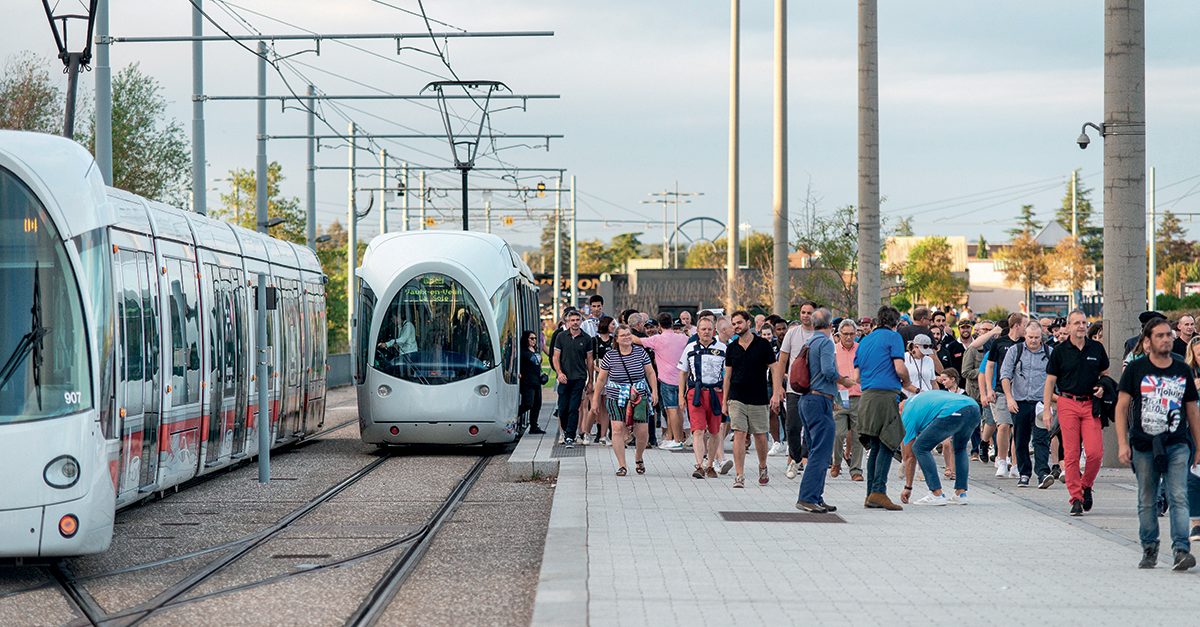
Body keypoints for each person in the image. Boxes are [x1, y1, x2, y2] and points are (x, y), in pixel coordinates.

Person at [1115, 317, 1200, 570]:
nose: (1166, 339)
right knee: (1147, 498)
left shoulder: (1182, 370)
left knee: (1178, 495)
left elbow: (1192, 411)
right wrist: (1122, 443)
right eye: (1160, 336)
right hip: (1143, 444)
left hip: (1177, 443)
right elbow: (1121, 408)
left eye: (1168, 335)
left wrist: (1199, 446)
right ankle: (1149, 547)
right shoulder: (1136, 369)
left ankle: (1181, 549)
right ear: (1148, 341)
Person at [843, 305, 917, 511]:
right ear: (895, 324)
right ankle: (879, 491)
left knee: (875, 446)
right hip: (885, 397)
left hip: (866, 397)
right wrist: (907, 382)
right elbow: (899, 368)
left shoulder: (864, 341)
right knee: (888, 443)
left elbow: (856, 377)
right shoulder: (893, 338)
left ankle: (871, 494)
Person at [1043, 309, 1108, 516]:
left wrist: (1103, 387)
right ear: (1068, 326)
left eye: (1084, 322)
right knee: (1071, 454)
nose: (1081, 326)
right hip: (1067, 402)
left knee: (1095, 452)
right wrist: (1046, 410)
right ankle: (1076, 498)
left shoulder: (1096, 348)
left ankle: (1086, 485)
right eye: (1077, 323)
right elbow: (1050, 382)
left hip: (1090, 404)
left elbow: (1104, 374)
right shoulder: (1060, 351)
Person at [795, 309, 853, 513]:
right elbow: (828, 371)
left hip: (806, 399)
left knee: (814, 450)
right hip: (820, 400)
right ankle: (808, 497)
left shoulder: (809, 342)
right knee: (821, 451)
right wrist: (843, 380)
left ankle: (815, 496)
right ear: (831, 326)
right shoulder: (826, 342)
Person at [592, 324, 659, 477]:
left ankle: (638, 457)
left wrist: (654, 391)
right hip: (616, 395)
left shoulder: (640, 352)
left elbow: (650, 372)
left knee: (642, 432)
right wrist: (595, 399)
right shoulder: (611, 356)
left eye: (628, 334)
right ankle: (622, 465)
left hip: (639, 395)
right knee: (617, 429)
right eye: (623, 335)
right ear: (616, 339)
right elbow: (601, 379)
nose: (627, 338)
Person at [722, 310, 777, 488]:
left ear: (748, 322)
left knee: (760, 436)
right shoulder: (731, 348)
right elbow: (727, 377)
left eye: (739, 322)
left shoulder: (763, 345)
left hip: (759, 397)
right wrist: (724, 400)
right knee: (739, 433)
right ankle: (740, 475)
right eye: (734, 324)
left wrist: (776, 392)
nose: (736, 326)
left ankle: (762, 466)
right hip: (737, 397)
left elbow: (775, 369)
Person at [899, 390, 979, 506]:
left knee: (920, 447)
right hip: (973, 407)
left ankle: (936, 494)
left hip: (953, 410)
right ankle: (960, 494)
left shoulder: (907, 413)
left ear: (899, 407)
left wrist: (908, 487)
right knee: (960, 448)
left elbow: (909, 456)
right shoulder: (919, 399)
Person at [1001, 321, 1054, 489]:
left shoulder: (1049, 353)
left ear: (1041, 337)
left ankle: (1043, 473)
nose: (1033, 341)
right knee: (1021, 439)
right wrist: (1009, 398)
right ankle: (1024, 473)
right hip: (1020, 402)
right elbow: (1005, 375)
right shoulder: (1014, 351)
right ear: (1025, 336)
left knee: (1041, 439)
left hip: (1040, 403)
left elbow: (1055, 378)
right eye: (1030, 337)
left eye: (1037, 338)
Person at [977, 313, 1028, 479]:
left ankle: (1015, 464)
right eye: (1025, 325)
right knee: (1003, 425)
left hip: (1020, 391)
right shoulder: (999, 343)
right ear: (1016, 326)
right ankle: (1001, 459)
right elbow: (989, 366)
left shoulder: (1025, 343)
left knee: (1018, 429)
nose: (1026, 329)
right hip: (1000, 389)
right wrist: (988, 389)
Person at [774, 300, 818, 479]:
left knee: (810, 427)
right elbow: (781, 362)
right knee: (792, 426)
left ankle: (805, 458)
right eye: (803, 312)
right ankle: (796, 457)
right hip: (794, 387)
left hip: (815, 389)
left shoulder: (822, 334)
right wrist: (778, 388)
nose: (805, 315)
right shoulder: (792, 333)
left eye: (809, 312)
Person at [679, 318, 728, 479]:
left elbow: (729, 373)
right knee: (698, 430)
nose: (706, 332)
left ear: (714, 331)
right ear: (697, 331)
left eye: (709, 329)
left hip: (716, 393)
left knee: (714, 431)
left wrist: (727, 395)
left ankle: (710, 464)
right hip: (696, 393)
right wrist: (681, 395)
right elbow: (683, 372)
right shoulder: (690, 348)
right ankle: (699, 465)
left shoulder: (722, 348)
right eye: (703, 329)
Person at [636, 313, 690, 450]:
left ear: (659, 325)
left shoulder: (656, 339)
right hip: (682, 379)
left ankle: (677, 440)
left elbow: (637, 340)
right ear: (672, 322)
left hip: (667, 380)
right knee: (680, 410)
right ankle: (677, 438)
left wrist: (625, 331)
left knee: (671, 410)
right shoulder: (683, 338)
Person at [552, 310, 594, 448]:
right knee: (562, 408)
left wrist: (590, 380)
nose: (575, 322)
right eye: (572, 320)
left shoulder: (586, 338)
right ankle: (565, 431)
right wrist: (559, 373)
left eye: (577, 320)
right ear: (567, 322)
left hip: (579, 377)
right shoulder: (561, 337)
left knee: (573, 408)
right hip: (564, 378)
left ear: (580, 321)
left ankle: (570, 436)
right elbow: (555, 357)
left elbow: (589, 360)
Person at [832, 319, 864, 481]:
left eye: (852, 334)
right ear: (839, 334)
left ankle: (856, 469)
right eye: (845, 334)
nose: (849, 337)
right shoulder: (834, 350)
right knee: (838, 433)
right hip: (840, 396)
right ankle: (836, 461)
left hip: (859, 396)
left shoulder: (862, 349)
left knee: (858, 435)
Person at [582, 316, 615, 445]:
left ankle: (603, 436)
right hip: (596, 374)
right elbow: (588, 359)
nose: (614, 326)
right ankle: (587, 433)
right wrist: (597, 369)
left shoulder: (613, 341)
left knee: (605, 408)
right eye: (612, 324)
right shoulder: (594, 340)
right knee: (594, 407)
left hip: (609, 376)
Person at [519, 330, 546, 434]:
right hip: (527, 381)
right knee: (528, 404)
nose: (534, 340)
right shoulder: (523, 352)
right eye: (531, 338)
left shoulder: (535, 350)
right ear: (526, 339)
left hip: (536, 381)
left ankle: (534, 426)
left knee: (537, 404)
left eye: (535, 338)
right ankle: (512, 418)